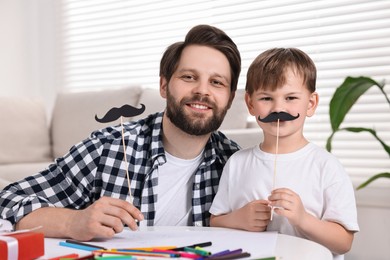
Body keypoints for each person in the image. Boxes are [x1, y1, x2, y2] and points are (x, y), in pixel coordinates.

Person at [0, 24, 241, 241]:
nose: (202, 91)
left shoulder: (237, 163)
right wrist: (73, 221)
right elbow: (7, 201)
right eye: (189, 77)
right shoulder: (108, 148)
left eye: (217, 82)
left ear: (230, 98)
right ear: (164, 86)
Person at [209, 48, 359, 258]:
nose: (278, 107)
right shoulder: (237, 163)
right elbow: (215, 222)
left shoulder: (327, 166)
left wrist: (302, 218)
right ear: (251, 104)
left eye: (290, 97)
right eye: (266, 98)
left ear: (311, 103)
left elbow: (344, 242)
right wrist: (239, 219)